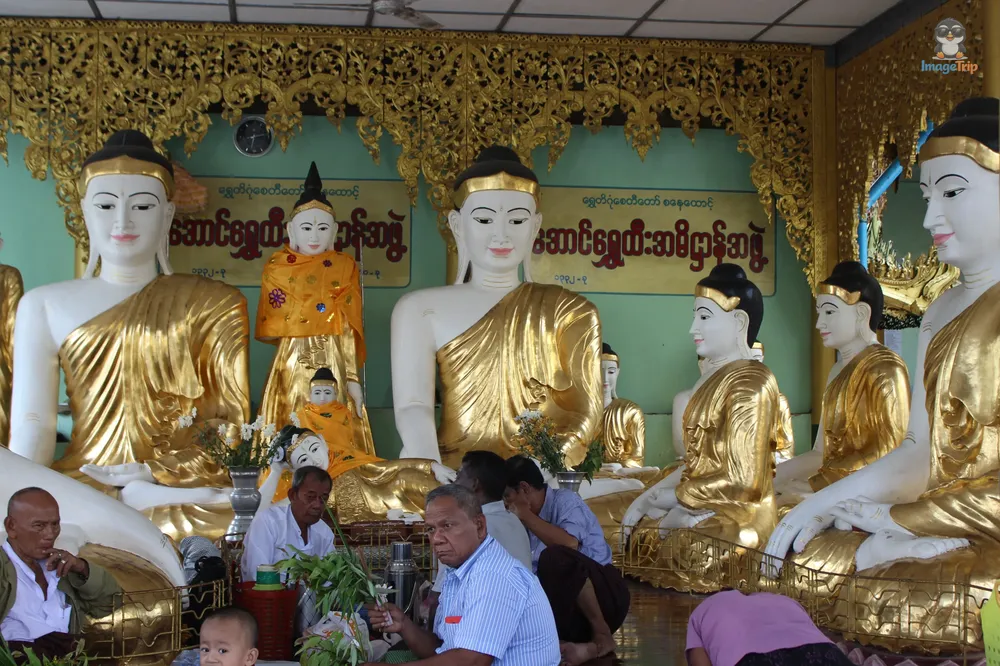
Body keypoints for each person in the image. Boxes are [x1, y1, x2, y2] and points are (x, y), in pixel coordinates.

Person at [366, 484, 560, 666]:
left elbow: (471, 660)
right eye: (431, 529)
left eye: (447, 526)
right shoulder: (458, 572)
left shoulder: (493, 575)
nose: (437, 539)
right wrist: (405, 625)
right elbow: (443, 651)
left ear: (480, 526)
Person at [504, 455, 629, 666]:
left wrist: (526, 516)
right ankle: (582, 648)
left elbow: (568, 544)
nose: (506, 504)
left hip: (605, 596)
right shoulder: (517, 520)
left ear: (524, 489)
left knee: (555, 557)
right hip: (567, 608)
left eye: (508, 496)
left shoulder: (565, 501)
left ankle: (601, 633)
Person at [1, 488, 121, 658]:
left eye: (55, 524)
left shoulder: (62, 567)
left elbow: (110, 604)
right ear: (11, 526)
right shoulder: (3, 568)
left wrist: (82, 568)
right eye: (39, 526)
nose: (50, 535)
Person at [428, 452, 532, 625]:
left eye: (459, 475)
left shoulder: (466, 529)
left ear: (475, 484)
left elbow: (438, 599)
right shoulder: (514, 521)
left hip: (487, 626)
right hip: (522, 622)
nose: (454, 482)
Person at [241, 466, 335, 634]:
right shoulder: (268, 522)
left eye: (323, 498)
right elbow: (258, 577)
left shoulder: (324, 532)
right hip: (268, 613)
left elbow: (330, 581)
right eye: (310, 497)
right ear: (292, 495)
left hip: (314, 617)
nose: (317, 505)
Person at [686, 591, 852, 666]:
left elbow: (700, 662)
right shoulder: (784, 600)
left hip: (753, 659)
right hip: (823, 653)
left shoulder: (702, 611)